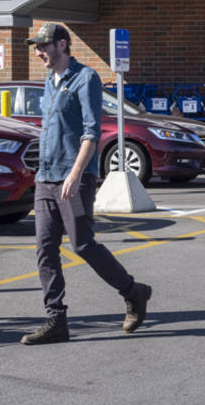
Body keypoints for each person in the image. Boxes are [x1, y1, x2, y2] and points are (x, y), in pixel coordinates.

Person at [22, 21, 152, 345]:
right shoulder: (50, 82)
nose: (38, 52)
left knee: (82, 244)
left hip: (74, 177)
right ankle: (56, 320)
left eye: (43, 46)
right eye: (36, 47)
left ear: (62, 45)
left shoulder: (85, 78)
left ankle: (133, 291)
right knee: (44, 249)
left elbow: (91, 132)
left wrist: (76, 173)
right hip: (46, 178)